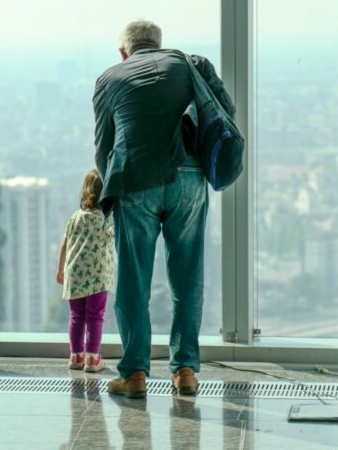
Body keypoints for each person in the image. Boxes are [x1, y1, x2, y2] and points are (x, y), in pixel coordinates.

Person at [93, 20, 235, 398]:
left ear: (124, 52)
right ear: (159, 45)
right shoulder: (184, 63)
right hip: (188, 177)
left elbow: (103, 147)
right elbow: (226, 109)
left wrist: (111, 200)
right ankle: (185, 369)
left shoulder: (109, 78)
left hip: (135, 180)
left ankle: (135, 374)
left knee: (134, 279)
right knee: (187, 275)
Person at [56, 168, 115, 373]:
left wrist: (60, 270)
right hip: (98, 277)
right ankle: (92, 359)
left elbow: (65, 244)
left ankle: (76, 356)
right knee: (95, 317)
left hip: (74, 274)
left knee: (76, 316)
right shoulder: (106, 218)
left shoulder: (75, 217)